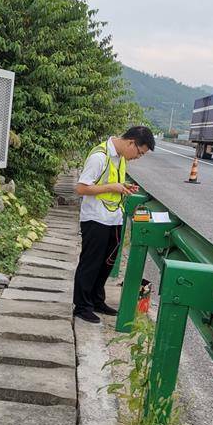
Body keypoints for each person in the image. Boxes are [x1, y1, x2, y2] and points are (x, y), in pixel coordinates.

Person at [73, 126, 155, 323]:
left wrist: (123, 187)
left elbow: (112, 184)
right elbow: (81, 188)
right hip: (95, 218)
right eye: (139, 153)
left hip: (113, 218)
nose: (137, 157)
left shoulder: (120, 158)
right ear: (130, 142)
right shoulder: (99, 156)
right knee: (91, 263)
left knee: (106, 263)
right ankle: (82, 306)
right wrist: (112, 187)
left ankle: (96, 300)